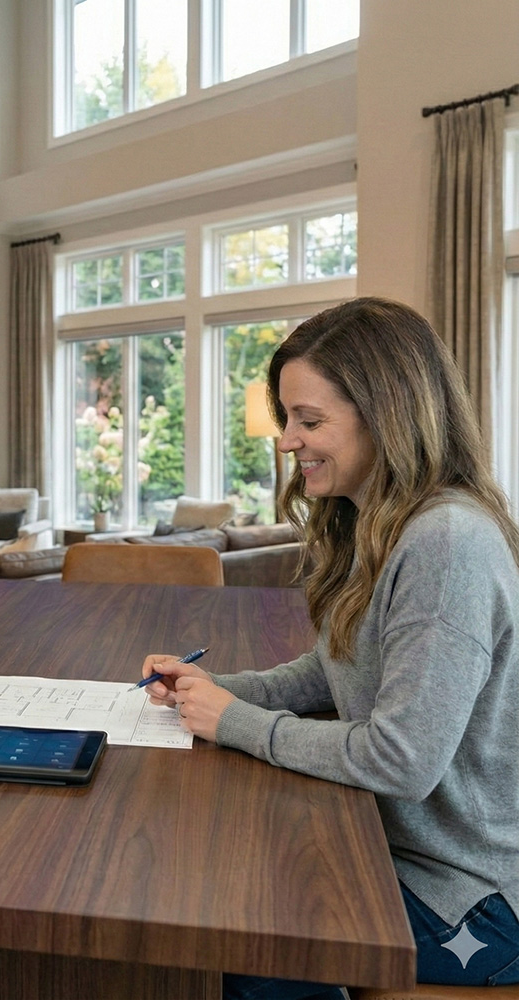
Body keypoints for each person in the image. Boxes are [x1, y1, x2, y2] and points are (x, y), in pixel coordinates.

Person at [142, 297, 519, 999]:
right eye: (289, 419)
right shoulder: (380, 523)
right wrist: (219, 690)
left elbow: (401, 761)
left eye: (310, 421)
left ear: (390, 417)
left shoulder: (447, 543)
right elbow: (334, 666)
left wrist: (236, 723)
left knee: (248, 923)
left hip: (473, 903)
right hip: (403, 858)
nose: (287, 442)